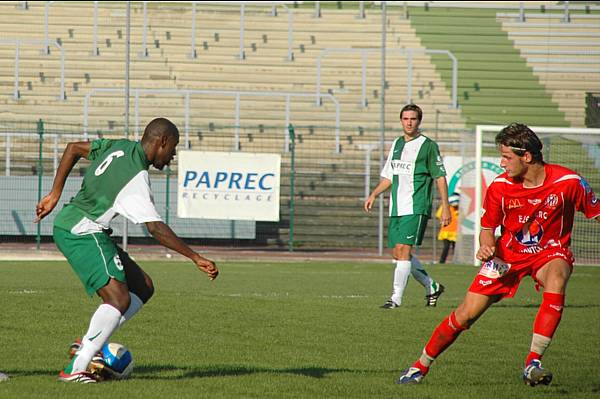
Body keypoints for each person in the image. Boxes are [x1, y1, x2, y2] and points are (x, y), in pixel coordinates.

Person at [396, 123, 600, 386]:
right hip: (506, 257)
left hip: (549, 253)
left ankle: (533, 362)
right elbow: (487, 229)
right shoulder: (500, 186)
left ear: (526, 156)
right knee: (465, 314)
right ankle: (419, 366)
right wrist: (485, 245)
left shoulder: (569, 182)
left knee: (558, 274)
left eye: (506, 157)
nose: (502, 163)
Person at [34, 117, 219, 383]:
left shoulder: (119, 146)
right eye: (173, 148)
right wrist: (195, 257)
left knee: (142, 286)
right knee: (119, 299)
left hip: (78, 224)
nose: (173, 156)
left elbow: (73, 148)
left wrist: (55, 194)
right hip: (82, 229)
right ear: (162, 141)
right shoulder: (137, 178)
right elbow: (155, 228)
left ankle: (88, 344)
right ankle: (77, 366)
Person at [364, 104, 451, 308]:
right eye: (405, 118)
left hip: (416, 206)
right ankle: (432, 286)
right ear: (401, 120)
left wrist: (445, 206)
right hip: (397, 207)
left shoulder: (428, 145)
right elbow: (389, 176)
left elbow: (439, 177)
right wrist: (374, 194)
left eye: (413, 119)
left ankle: (395, 298)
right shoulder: (396, 144)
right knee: (398, 253)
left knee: (404, 250)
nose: (409, 122)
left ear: (419, 121)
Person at [436, 192, 459, 264]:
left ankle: (456, 261)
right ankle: (442, 261)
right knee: (446, 247)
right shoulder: (445, 207)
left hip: (455, 232)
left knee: (455, 247)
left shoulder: (458, 209)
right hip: (446, 231)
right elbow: (438, 215)